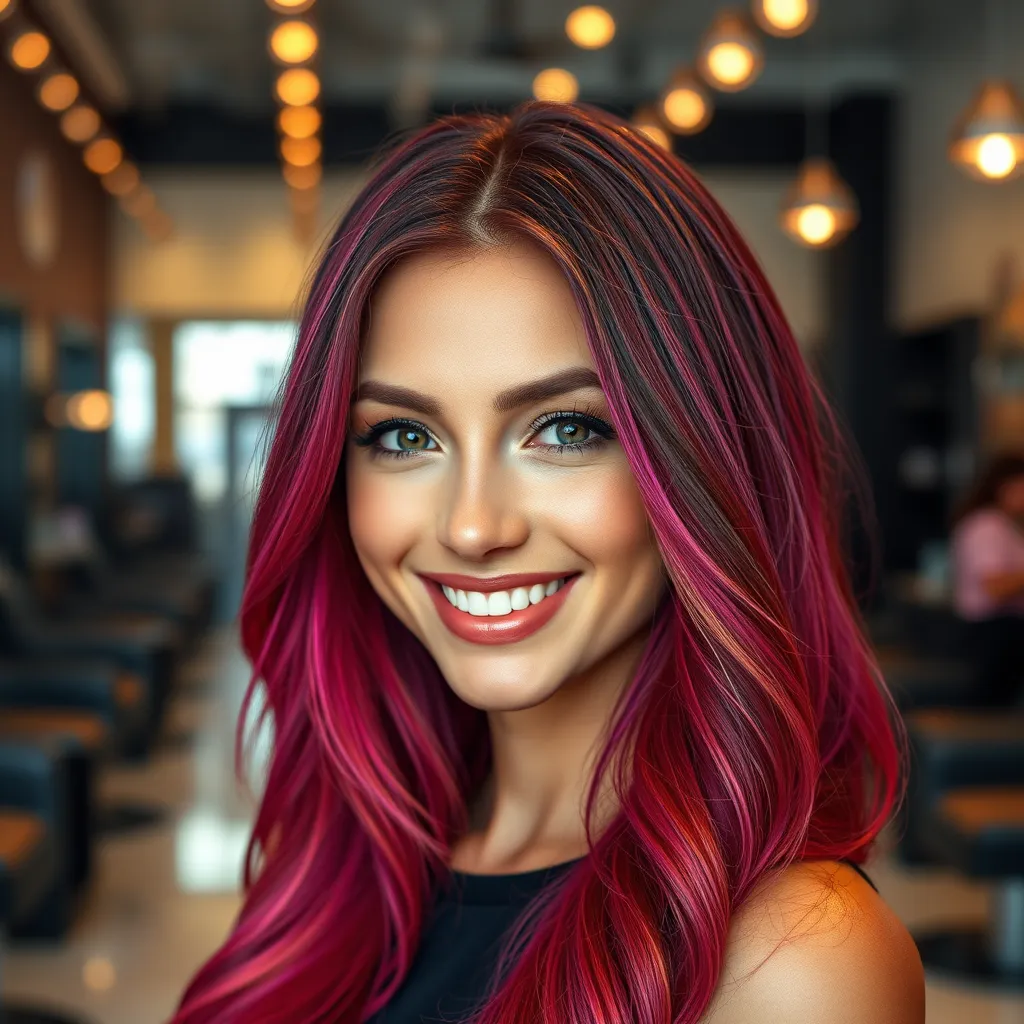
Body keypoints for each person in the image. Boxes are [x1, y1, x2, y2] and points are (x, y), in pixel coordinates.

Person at [170, 103, 923, 1023]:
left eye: (566, 430)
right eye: (404, 436)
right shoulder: (346, 867)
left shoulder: (794, 959)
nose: (473, 527)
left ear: (708, 466)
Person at [951, 452, 1024, 707]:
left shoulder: (1005, 526)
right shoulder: (986, 526)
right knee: (989, 706)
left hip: (1001, 632)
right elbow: (995, 586)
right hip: (994, 632)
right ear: (1004, 486)